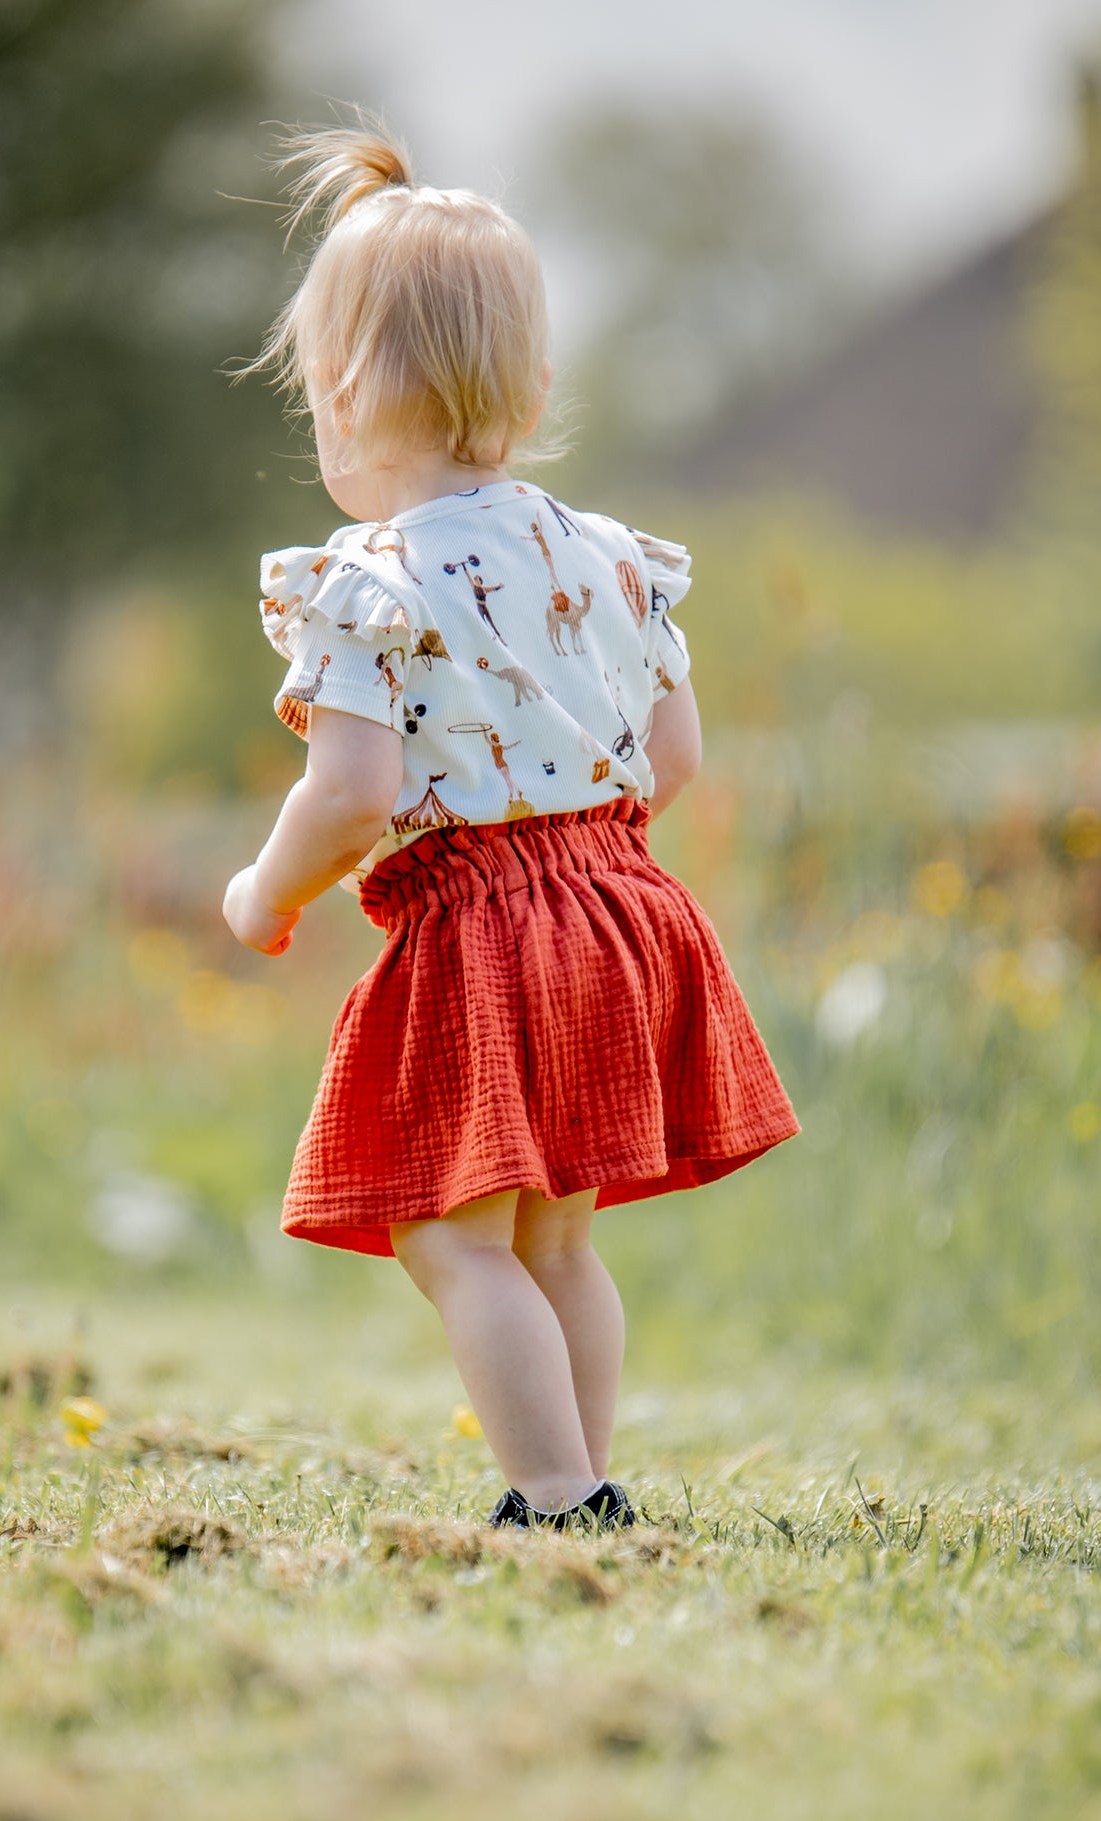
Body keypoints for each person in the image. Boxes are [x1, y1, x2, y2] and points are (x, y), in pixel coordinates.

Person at [223, 116, 800, 1532]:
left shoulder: (366, 581)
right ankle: (584, 1477)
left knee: (450, 1231)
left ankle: (552, 1491)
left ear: (342, 393)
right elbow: (675, 752)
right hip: (622, 911)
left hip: (481, 927)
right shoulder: (606, 559)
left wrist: (265, 888)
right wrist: (577, 846)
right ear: (533, 380)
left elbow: (351, 791)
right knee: (553, 1234)